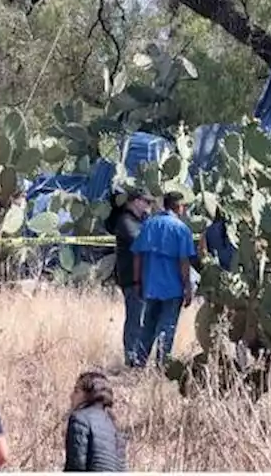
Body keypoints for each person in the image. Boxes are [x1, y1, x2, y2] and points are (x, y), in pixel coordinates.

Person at [132, 192, 198, 366]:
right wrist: (188, 287)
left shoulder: (149, 224)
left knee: (148, 326)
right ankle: (162, 365)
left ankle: (139, 363)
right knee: (166, 328)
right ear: (178, 206)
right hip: (173, 288)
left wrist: (137, 281)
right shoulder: (182, 229)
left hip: (151, 286)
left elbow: (137, 255)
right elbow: (184, 261)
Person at [103, 189, 152, 367]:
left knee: (143, 318)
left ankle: (140, 357)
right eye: (146, 202)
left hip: (144, 277)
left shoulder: (141, 221)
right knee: (135, 318)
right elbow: (141, 242)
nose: (148, 206)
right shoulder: (125, 221)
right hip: (131, 278)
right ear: (134, 201)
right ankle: (131, 357)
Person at [63, 371, 126, 472]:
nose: (71, 396)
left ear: (88, 395)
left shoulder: (79, 419)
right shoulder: (114, 425)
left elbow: (76, 466)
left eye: (76, 391)